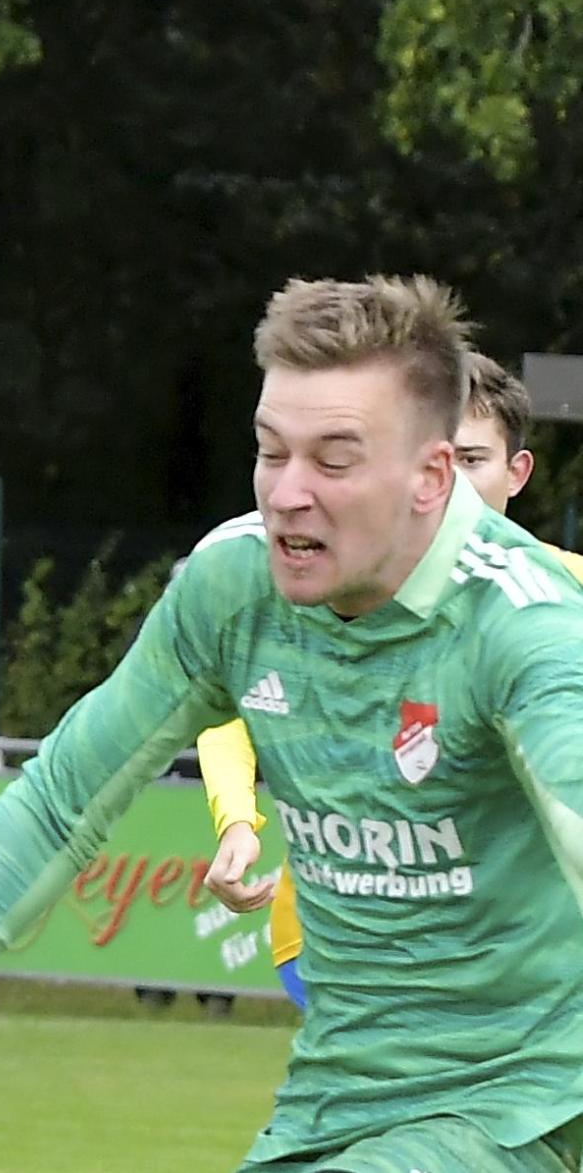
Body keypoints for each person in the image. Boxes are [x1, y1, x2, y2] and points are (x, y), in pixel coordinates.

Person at [0, 277, 583, 1173]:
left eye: (332, 460)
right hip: (330, 1107)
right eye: (270, 451)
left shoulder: (528, 626)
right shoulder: (232, 586)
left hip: (524, 1113)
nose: (287, 492)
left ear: (431, 477)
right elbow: (63, 795)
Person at [199, 351, 583, 1010]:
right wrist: (236, 819)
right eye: (434, 461)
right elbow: (230, 701)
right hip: (342, 933)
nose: (451, 485)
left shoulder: (562, 589)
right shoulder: (333, 582)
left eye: (471, 460)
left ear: (516, 472)